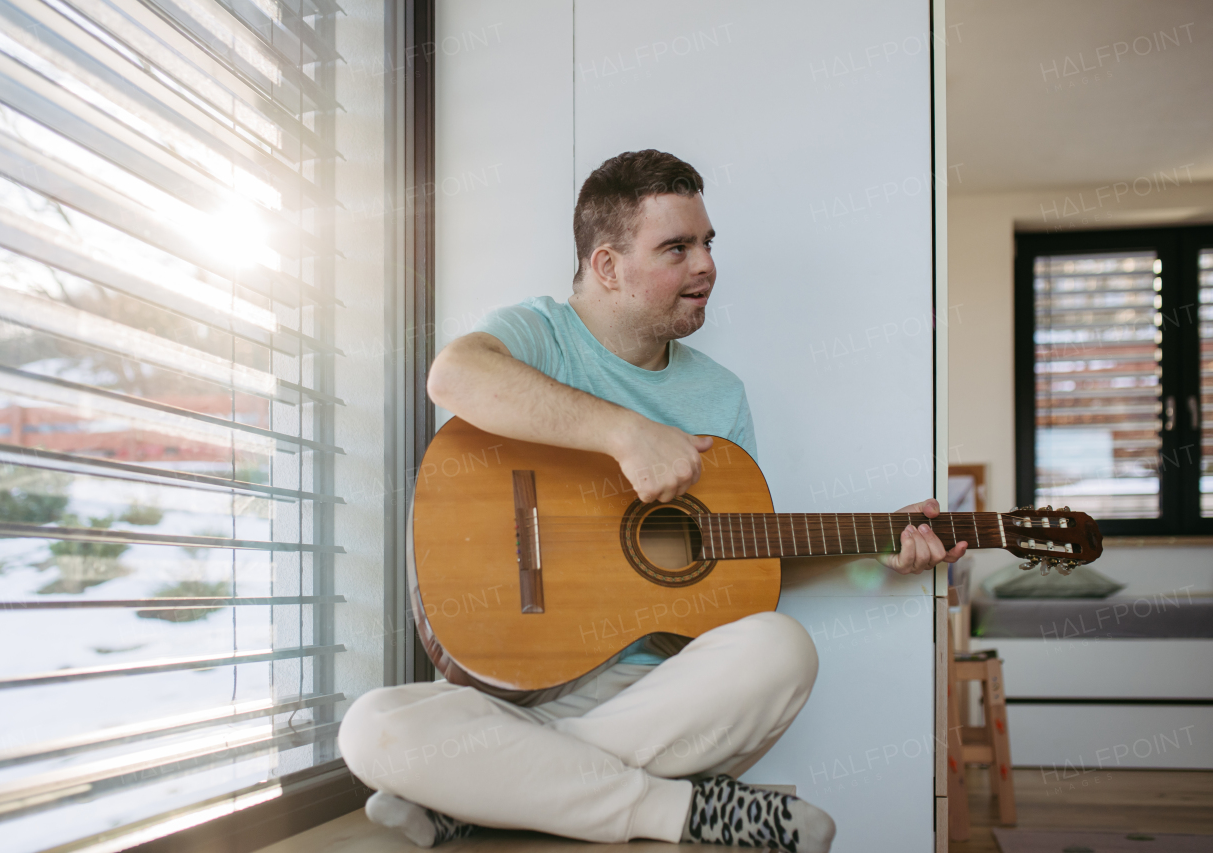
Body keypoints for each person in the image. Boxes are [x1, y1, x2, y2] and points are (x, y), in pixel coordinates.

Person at [337, 150, 966, 850]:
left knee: (782, 649)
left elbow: (743, 557)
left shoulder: (720, 396)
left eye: (707, 243)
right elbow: (454, 375)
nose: (706, 266)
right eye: (677, 247)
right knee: (370, 726)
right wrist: (625, 433)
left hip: (658, 702)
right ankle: (684, 813)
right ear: (607, 266)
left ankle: (493, 793)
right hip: (508, 693)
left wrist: (880, 545)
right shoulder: (541, 334)